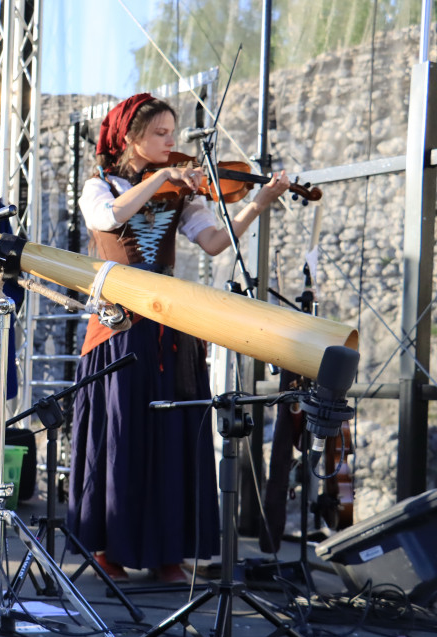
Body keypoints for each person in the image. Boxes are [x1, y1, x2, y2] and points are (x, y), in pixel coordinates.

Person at [67, 93, 291, 584]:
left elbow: (214, 243)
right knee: (122, 436)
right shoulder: (98, 186)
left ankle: (171, 550)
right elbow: (109, 219)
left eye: (173, 133)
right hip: (118, 327)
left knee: (173, 437)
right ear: (130, 138)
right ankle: (111, 549)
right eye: (161, 134)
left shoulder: (179, 192)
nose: (173, 143)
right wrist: (160, 178)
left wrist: (259, 201)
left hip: (169, 326)